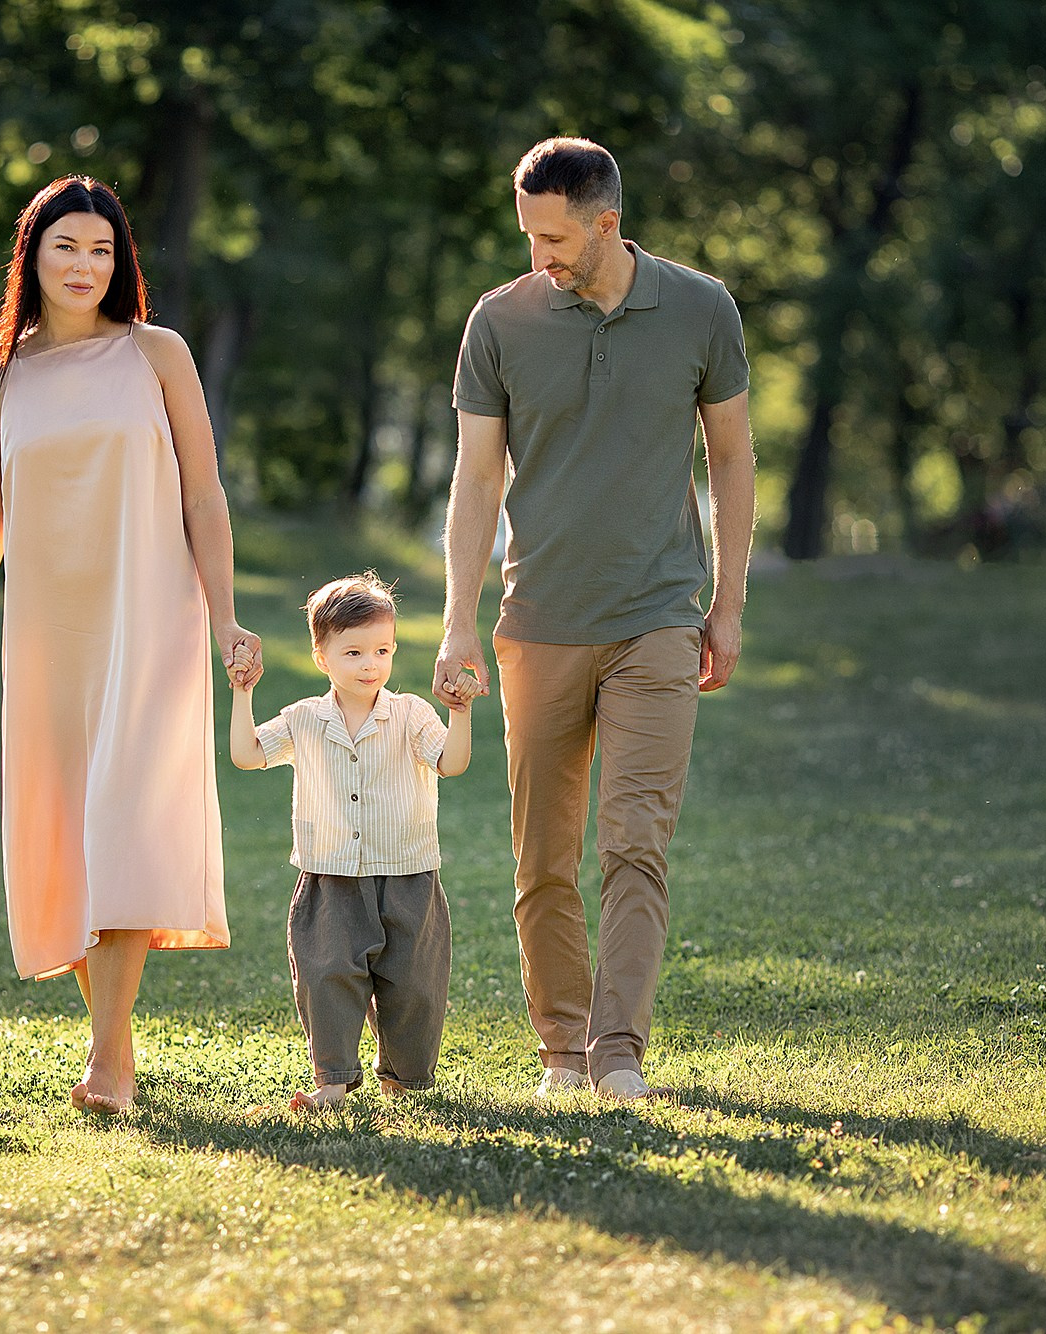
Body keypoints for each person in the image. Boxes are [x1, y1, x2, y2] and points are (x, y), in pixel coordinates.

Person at [433, 137, 756, 1104]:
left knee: (635, 840)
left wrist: (728, 605)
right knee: (543, 857)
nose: (540, 256)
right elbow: (477, 477)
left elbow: (733, 460)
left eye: (555, 236)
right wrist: (458, 621)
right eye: (528, 235)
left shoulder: (701, 308)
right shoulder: (500, 322)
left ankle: (619, 1052)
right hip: (538, 621)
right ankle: (561, 1052)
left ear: (607, 222)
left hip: (658, 615)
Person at [0, 175, 262, 1115]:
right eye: (66, 247)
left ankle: (107, 1063)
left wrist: (226, 614)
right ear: (30, 255)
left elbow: (205, 495)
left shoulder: (156, 353)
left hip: (150, 617)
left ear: (122, 265)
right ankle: (111, 1052)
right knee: (71, 836)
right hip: (48, 634)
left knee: (121, 822)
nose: (85, 267)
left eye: (103, 251)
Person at [229, 572, 481, 1111]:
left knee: (414, 985)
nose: (371, 664)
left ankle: (405, 1077)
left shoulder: (411, 713)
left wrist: (460, 714)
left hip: (408, 874)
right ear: (321, 656)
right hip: (330, 878)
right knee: (326, 978)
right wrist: (242, 694)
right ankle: (333, 1082)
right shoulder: (303, 719)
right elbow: (247, 753)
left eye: (382, 650)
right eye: (354, 652)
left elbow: (451, 763)